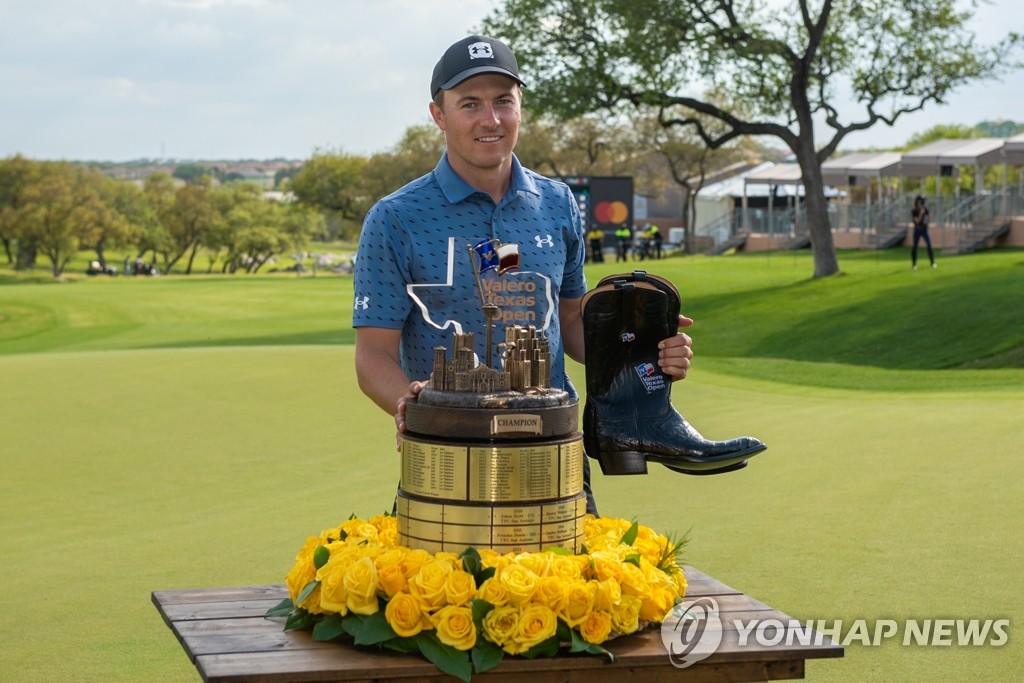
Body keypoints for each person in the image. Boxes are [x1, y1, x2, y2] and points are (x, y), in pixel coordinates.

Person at [352, 35, 694, 515]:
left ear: (520, 108)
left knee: (581, 568)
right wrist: (408, 403)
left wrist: (643, 349)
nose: (490, 120)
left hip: (556, 449)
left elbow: (570, 323)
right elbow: (372, 354)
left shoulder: (557, 203)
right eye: (469, 104)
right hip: (448, 455)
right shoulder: (395, 217)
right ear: (438, 115)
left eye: (503, 101)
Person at [911, 195, 936, 270]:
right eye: (920, 201)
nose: (922, 203)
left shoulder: (925, 209)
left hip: (924, 230)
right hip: (917, 230)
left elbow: (928, 219)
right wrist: (921, 214)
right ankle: (914, 264)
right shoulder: (914, 211)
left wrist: (927, 220)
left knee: (929, 245)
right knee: (915, 247)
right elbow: (917, 221)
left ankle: (932, 262)